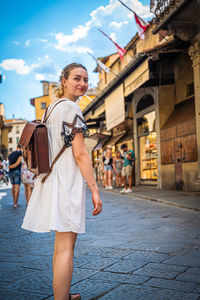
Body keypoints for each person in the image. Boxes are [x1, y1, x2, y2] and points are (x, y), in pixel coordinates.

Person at [21, 63, 102, 300]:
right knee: (67, 248)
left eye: (86, 79)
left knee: (60, 247)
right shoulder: (71, 109)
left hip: (51, 180)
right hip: (66, 183)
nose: (83, 84)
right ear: (63, 81)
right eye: (77, 78)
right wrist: (95, 190)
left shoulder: (52, 108)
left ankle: (63, 295)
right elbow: (80, 154)